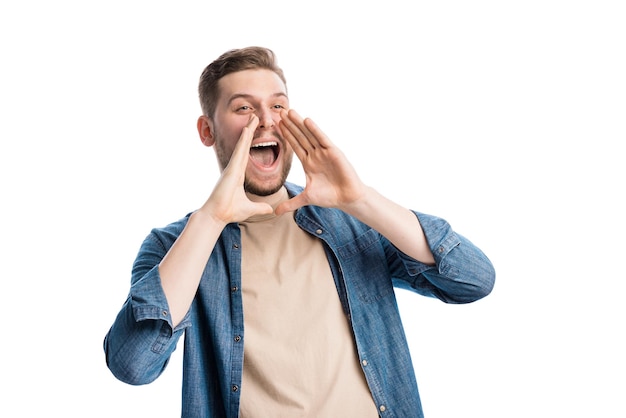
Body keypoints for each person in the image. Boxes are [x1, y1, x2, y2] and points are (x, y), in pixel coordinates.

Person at [103, 46, 495, 418]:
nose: (267, 119)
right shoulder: (174, 246)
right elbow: (133, 364)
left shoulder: (349, 221)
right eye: (244, 108)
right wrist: (211, 219)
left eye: (277, 105)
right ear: (207, 130)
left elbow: (472, 280)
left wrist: (359, 199)